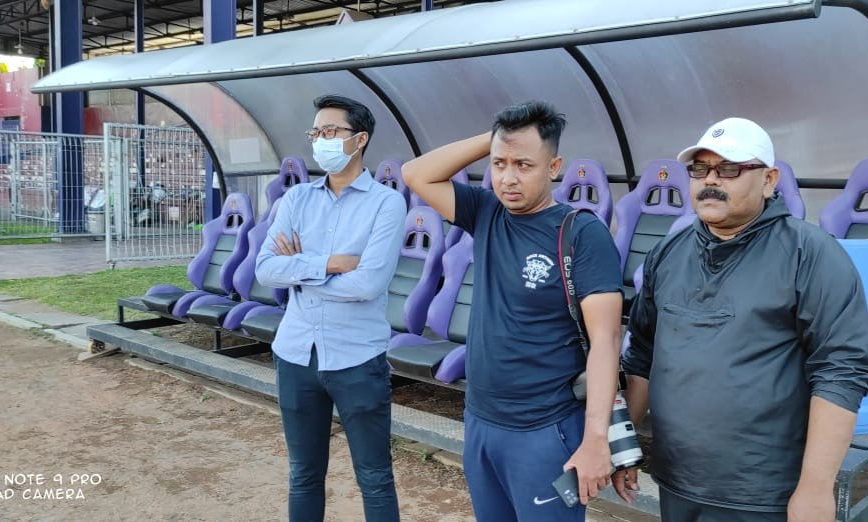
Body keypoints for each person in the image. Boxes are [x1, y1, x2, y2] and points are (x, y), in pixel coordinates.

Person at [614, 117, 868, 521]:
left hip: (762, 491)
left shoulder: (811, 255)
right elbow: (642, 358)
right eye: (699, 170)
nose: (710, 180)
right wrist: (624, 449)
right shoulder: (668, 254)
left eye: (730, 169)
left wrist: (815, 488)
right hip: (677, 478)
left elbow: (842, 372)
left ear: (769, 180)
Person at [402, 101, 626, 521]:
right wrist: (494, 137)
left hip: (545, 429)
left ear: (553, 167)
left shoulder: (581, 232)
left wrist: (596, 438)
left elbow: (606, 340)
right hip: (481, 420)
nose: (507, 177)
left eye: (524, 164)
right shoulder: (486, 212)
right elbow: (416, 174)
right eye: (499, 163)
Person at [255, 94, 407, 522]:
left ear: (360, 139)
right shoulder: (296, 200)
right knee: (303, 474)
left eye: (330, 132)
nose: (320, 140)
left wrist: (299, 272)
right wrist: (330, 263)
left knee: (375, 475)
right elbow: (266, 269)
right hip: (296, 353)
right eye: (315, 132)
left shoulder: (387, 203)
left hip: (357, 356)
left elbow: (369, 283)